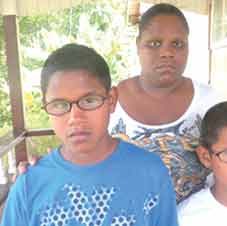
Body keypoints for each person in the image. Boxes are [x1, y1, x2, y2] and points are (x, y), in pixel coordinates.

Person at [17, 3, 227, 204]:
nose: (167, 52)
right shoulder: (106, 103)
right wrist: (38, 168)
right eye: (154, 43)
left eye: (177, 44)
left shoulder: (209, 102)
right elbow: (79, 152)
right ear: (138, 46)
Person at [0, 43, 179, 226]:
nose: (75, 118)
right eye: (60, 105)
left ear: (111, 100)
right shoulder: (29, 186)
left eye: (89, 100)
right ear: (46, 106)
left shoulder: (150, 173)